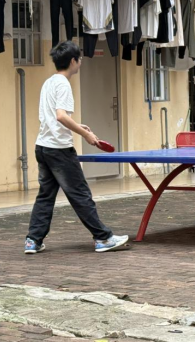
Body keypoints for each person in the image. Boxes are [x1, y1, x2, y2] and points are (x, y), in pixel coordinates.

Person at [25, 41, 128, 253]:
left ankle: (33, 240)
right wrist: (85, 134)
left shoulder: (49, 82)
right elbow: (60, 116)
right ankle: (103, 238)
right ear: (73, 61)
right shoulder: (63, 84)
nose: (80, 62)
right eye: (79, 59)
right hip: (59, 150)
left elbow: (53, 117)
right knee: (80, 194)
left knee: (45, 196)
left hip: (42, 146)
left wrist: (78, 126)